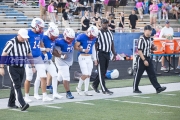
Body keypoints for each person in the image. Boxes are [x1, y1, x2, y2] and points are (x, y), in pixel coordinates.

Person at [0, 29, 35, 111]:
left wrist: (33, 66)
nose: (24, 39)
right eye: (22, 37)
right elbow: (4, 54)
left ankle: (11, 103)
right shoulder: (11, 43)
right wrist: (1, 67)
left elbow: (29, 54)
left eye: (25, 37)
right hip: (12, 67)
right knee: (17, 85)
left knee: (15, 85)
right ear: (18, 35)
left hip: (22, 67)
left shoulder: (26, 42)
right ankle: (22, 104)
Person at [24, 18, 53, 103]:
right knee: (29, 78)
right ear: (35, 26)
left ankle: (44, 95)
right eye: (40, 27)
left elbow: (41, 43)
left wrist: (44, 53)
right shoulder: (28, 33)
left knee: (43, 76)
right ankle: (26, 96)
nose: (41, 29)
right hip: (29, 58)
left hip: (38, 57)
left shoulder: (40, 34)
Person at [133, 25, 166, 94]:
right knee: (138, 74)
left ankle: (158, 88)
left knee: (152, 74)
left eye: (151, 30)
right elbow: (139, 51)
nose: (150, 31)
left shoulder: (150, 39)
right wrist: (144, 60)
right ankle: (135, 88)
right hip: (142, 58)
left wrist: (154, 48)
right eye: (149, 30)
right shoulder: (141, 39)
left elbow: (150, 47)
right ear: (145, 31)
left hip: (148, 57)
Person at [33, 24, 63, 99]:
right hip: (42, 60)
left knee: (55, 75)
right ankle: (36, 94)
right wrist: (44, 52)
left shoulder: (53, 39)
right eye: (53, 36)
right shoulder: (43, 37)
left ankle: (55, 93)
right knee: (39, 77)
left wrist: (57, 52)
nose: (54, 38)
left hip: (49, 60)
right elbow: (38, 46)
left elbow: (52, 49)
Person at [91, 19, 117, 95]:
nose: (105, 25)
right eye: (104, 23)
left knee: (103, 72)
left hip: (107, 53)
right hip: (100, 53)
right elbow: (95, 46)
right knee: (101, 71)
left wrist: (114, 54)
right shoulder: (98, 33)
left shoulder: (110, 32)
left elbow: (111, 44)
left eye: (106, 23)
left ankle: (94, 85)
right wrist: (95, 57)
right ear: (101, 24)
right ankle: (104, 89)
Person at [75, 26, 99, 96]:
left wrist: (95, 59)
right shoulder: (82, 36)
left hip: (89, 57)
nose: (92, 37)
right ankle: (78, 88)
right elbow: (75, 47)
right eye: (92, 35)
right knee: (85, 74)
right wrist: (82, 50)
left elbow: (93, 49)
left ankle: (86, 90)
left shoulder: (94, 38)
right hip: (82, 57)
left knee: (88, 75)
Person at [53, 28, 75, 99]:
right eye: (69, 38)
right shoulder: (59, 42)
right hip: (61, 61)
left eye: (71, 38)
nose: (70, 40)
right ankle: (68, 93)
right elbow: (53, 51)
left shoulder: (73, 40)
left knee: (59, 77)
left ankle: (53, 89)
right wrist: (61, 55)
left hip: (69, 62)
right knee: (66, 77)